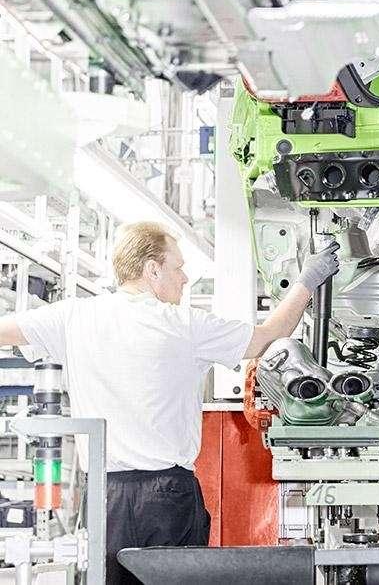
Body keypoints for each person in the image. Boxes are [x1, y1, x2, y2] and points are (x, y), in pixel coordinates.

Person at [0, 221, 339, 584]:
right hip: (166, 494)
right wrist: (308, 280)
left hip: (104, 496)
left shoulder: (73, 317)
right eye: (178, 267)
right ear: (152, 269)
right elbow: (268, 337)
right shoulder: (184, 324)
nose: (185, 278)